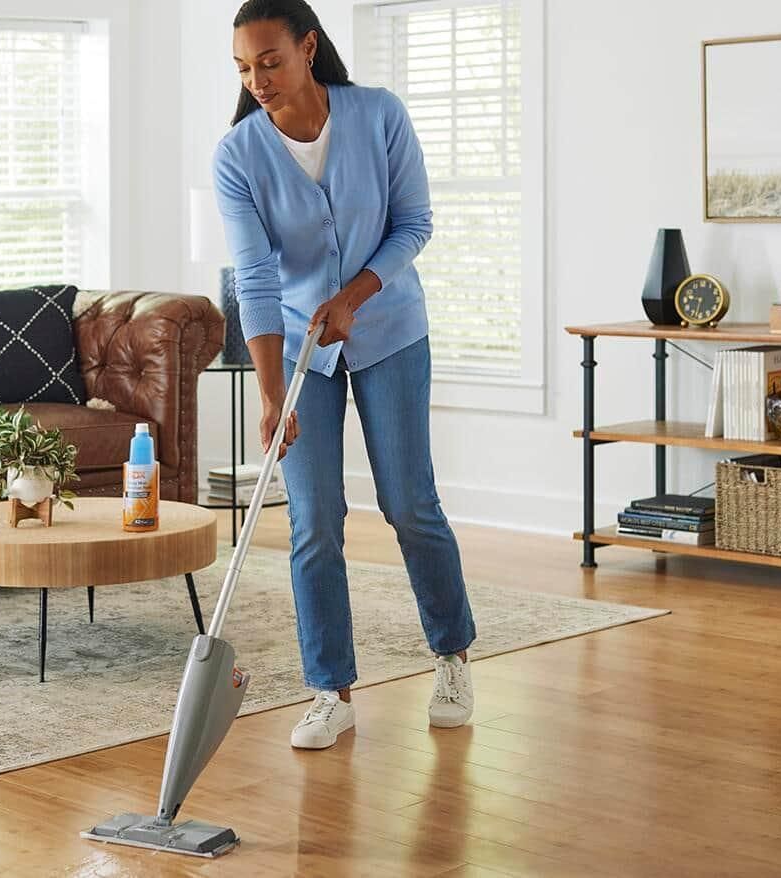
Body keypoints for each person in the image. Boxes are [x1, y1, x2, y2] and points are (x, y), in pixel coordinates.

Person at [213, 0, 477, 751]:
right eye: (243, 68)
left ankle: (452, 655)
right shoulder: (237, 155)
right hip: (300, 352)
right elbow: (256, 280)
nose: (257, 80)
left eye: (270, 61)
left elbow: (414, 223)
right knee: (313, 521)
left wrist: (355, 295)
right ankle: (330, 688)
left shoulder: (377, 115)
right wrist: (271, 395)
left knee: (409, 504)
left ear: (307, 47)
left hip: (391, 332)